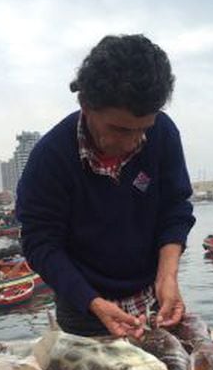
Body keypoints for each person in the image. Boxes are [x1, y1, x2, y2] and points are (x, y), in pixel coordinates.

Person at [16, 34, 195, 338]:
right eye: (119, 129)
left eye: (143, 128)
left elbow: (175, 208)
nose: (133, 141)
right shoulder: (50, 157)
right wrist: (92, 302)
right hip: (84, 306)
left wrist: (168, 276)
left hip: (153, 298)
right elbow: (40, 241)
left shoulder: (163, 134)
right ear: (86, 105)